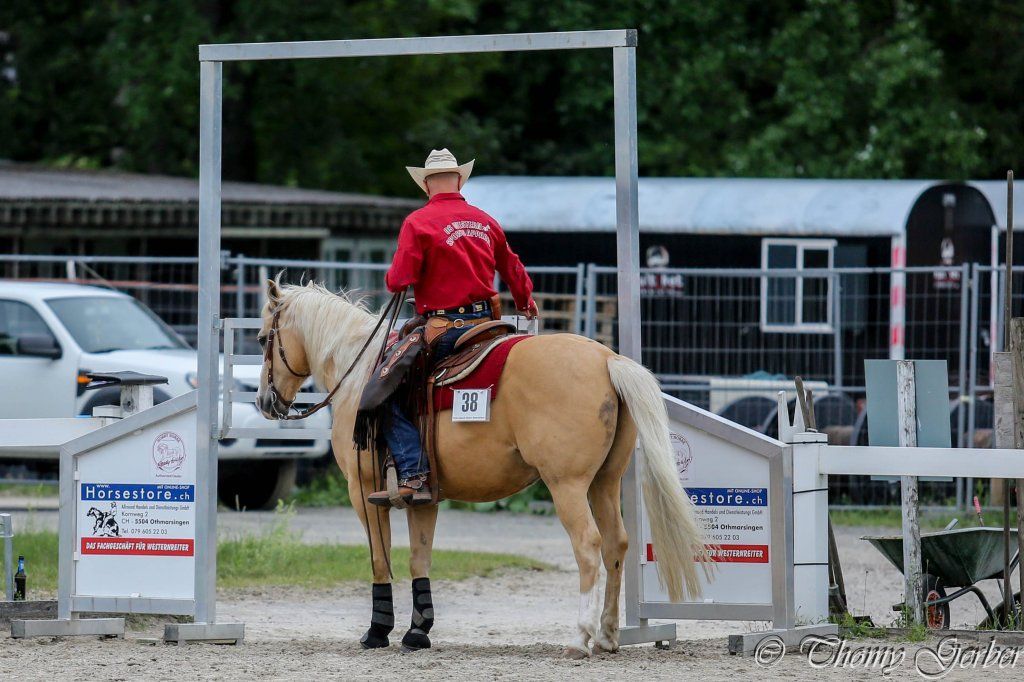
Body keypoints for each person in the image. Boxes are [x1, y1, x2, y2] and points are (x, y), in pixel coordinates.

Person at [367, 149, 538, 507]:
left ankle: (413, 475)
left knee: (384, 390)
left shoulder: (418, 222)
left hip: (445, 330)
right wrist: (525, 302)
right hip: (489, 327)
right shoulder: (485, 221)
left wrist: (393, 276)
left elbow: (400, 280)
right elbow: (514, 269)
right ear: (459, 181)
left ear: (427, 185)